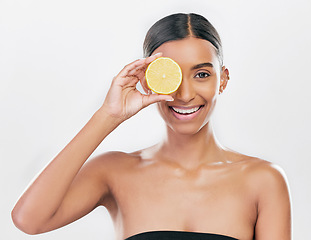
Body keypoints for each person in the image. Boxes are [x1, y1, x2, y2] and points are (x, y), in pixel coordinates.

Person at [11, 13, 291, 240]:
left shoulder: (263, 180)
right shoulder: (114, 171)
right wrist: (108, 115)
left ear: (223, 80)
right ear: (147, 80)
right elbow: (29, 221)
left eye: (202, 74)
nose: (184, 94)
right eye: (171, 75)